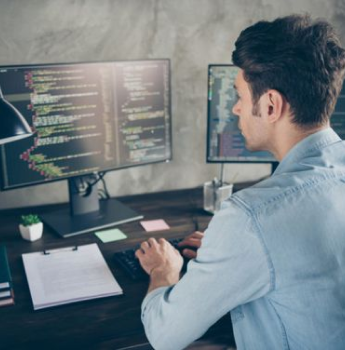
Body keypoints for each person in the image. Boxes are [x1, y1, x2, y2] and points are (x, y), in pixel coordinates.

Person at [135, 14, 345, 350]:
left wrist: (164, 270)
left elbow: (163, 335)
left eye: (241, 97)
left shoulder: (251, 217)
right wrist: (228, 250)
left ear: (271, 105)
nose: (235, 109)